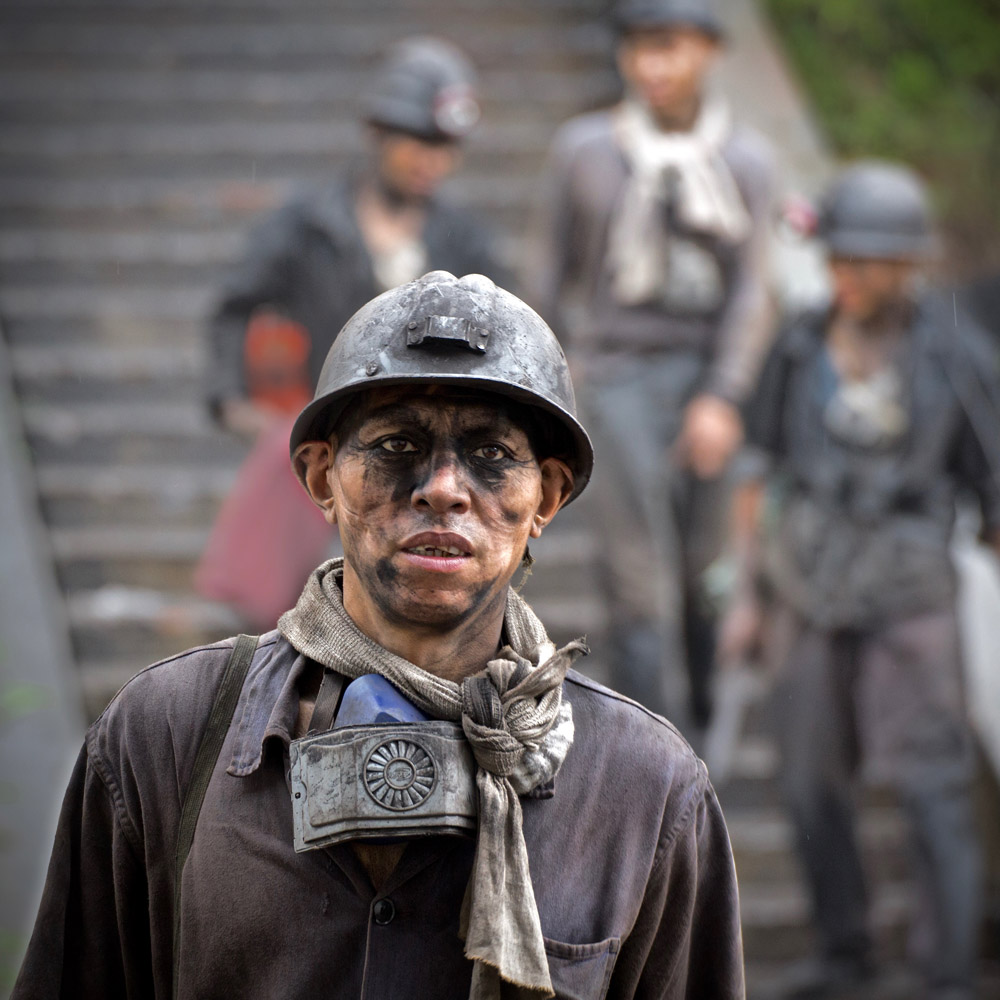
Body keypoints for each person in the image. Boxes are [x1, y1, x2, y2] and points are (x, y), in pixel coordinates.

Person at [13, 272, 745, 999]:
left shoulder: (644, 790)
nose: (444, 488)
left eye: (491, 454)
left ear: (546, 496)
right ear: (322, 477)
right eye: (397, 444)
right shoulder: (163, 737)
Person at [721, 162, 999, 999]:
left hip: (910, 597)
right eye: (836, 258)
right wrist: (744, 593)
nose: (845, 276)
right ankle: (844, 952)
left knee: (933, 784)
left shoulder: (956, 357)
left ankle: (947, 972)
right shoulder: (800, 343)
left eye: (865, 262)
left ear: (907, 265)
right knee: (809, 781)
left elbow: (991, 492)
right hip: (805, 588)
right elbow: (755, 468)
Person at [523, 0, 776, 731]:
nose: (650, 66)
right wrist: (557, 377)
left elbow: (755, 290)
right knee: (639, 583)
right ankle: (650, 751)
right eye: (637, 47)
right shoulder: (586, 150)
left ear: (710, 52)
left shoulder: (746, 162)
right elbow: (545, 276)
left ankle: (697, 735)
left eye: (668, 47)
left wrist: (725, 395)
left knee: (706, 576)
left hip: (706, 378)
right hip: (616, 374)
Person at [196, 37, 507, 629]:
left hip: (434, 443)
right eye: (418, 140)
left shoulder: (465, 241)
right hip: (332, 426)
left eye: (445, 147)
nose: (430, 160)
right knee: (276, 592)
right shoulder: (312, 223)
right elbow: (235, 303)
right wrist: (232, 399)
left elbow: (506, 335)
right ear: (380, 134)